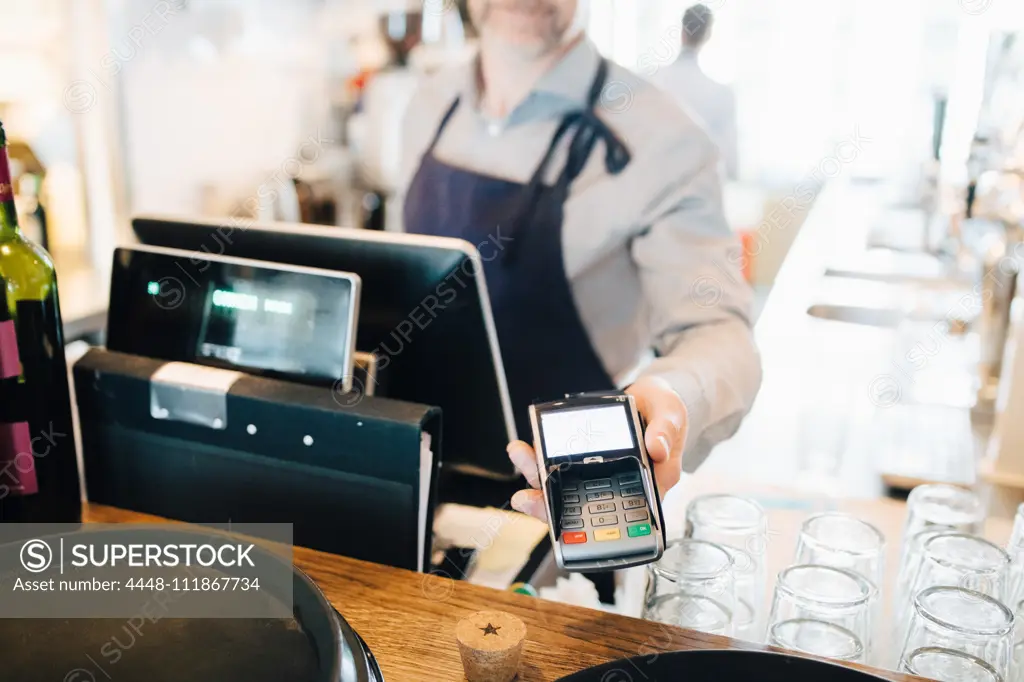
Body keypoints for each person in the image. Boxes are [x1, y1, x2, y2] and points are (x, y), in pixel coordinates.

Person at [399, 0, 761, 521]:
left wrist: (672, 396)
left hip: (574, 512)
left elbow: (721, 334)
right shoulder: (427, 103)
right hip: (416, 491)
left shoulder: (667, 142)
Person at [650, 4, 739, 180]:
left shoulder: (653, 80)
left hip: (656, 182)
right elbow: (730, 162)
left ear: (681, 31)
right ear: (708, 35)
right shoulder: (721, 94)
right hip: (700, 186)